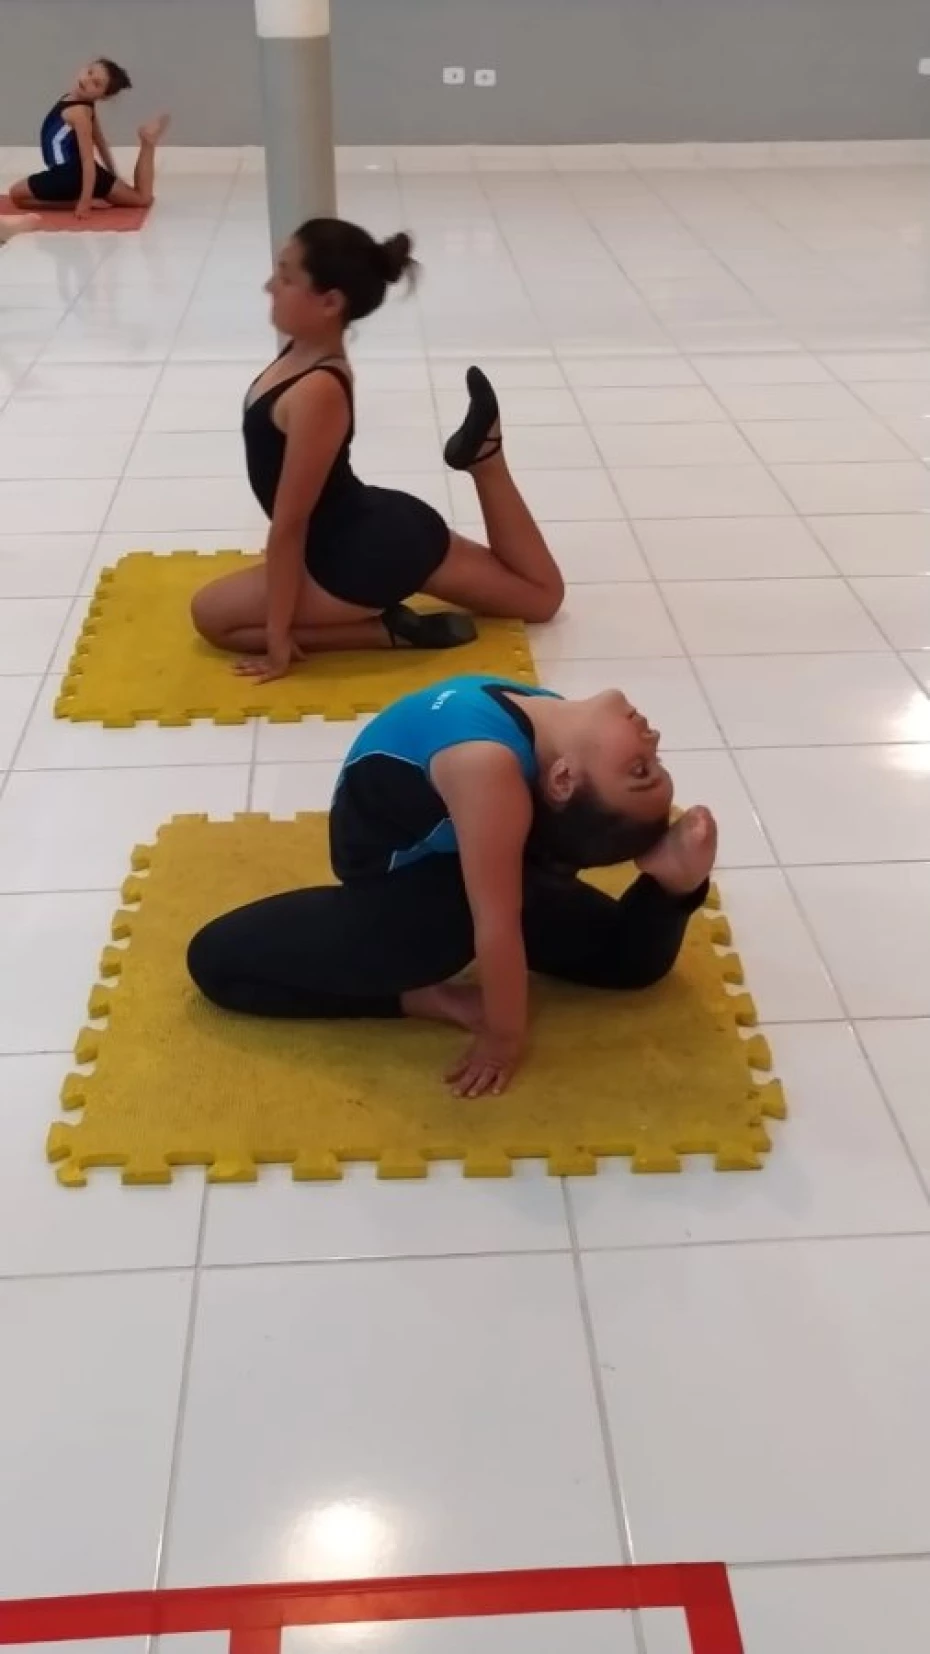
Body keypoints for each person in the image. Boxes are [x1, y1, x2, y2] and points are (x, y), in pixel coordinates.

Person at [188, 674, 718, 1099]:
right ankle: (424, 996)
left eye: (642, 767)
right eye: (648, 766)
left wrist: (502, 1038)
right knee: (218, 965)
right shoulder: (501, 754)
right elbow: (496, 918)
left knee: (630, 963)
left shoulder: (536, 744)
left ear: (563, 778)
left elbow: (498, 920)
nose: (653, 739)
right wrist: (495, 1022)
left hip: (478, 860)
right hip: (398, 887)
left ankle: (670, 886)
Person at [190, 218, 565, 683]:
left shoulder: (317, 390)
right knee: (540, 598)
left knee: (213, 617)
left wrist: (278, 635)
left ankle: (387, 630)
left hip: (359, 560)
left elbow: (290, 524)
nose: (270, 287)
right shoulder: (303, 352)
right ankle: (485, 461)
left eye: (286, 278)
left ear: (330, 303)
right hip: (383, 524)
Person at [6, 59, 169, 219]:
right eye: (90, 72)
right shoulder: (83, 103)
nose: (87, 80)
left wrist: (84, 202)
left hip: (67, 176)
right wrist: (114, 175)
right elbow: (100, 142)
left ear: (103, 96)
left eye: (96, 84)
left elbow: (87, 161)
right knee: (141, 198)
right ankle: (147, 142)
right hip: (81, 174)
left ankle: (76, 200)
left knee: (16, 196)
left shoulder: (80, 113)